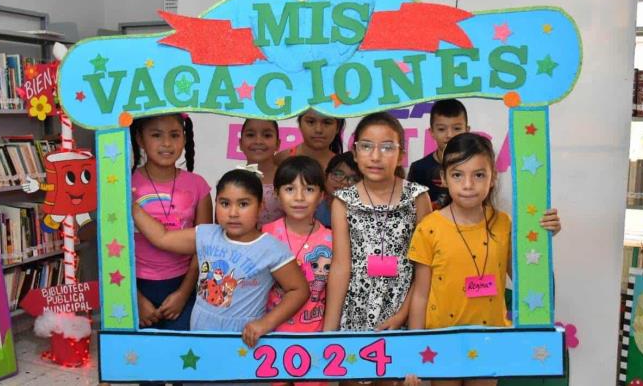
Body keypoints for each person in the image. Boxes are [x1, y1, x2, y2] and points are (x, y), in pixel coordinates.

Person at [405, 133, 561, 386]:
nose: (468, 184)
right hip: (442, 342)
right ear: (443, 178)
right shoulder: (429, 227)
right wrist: (414, 351)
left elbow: (524, 278)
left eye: (479, 175)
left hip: (491, 339)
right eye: (458, 174)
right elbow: (421, 294)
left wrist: (542, 239)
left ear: (492, 178)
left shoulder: (503, 224)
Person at [132, 168, 310, 348]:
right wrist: (132, 207)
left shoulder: (271, 249)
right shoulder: (206, 235)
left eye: (243, 204)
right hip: (200, 333)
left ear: (260, 206)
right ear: (216, 203)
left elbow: (299, 290)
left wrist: (265, 323)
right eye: (225, 203)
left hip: (243, 341)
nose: (233, 213)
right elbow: (162, 238)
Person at [324, 112, 432, 386]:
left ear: (401, 155)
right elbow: (340, 266)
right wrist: (327, 333)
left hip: (403, 311)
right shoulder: (343, 201)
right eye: (367, 146)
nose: (376, 155)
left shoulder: (418, 197)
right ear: (355, 151)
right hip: (355, 314)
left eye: (387, 147)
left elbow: (424, 268)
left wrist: (403, 315)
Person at [130, 113, 212, 330]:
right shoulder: (125, 184)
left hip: (183, 285)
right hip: (134, 286)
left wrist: (183, 294)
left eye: (174, 135)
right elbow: (112, 248)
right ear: (140, 139)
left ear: (184, 139)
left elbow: (204, 248)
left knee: (181, 355)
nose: (167, 143)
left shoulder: (198, 185)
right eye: (156, 135)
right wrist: (135, 298)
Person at [263, 156, 332, 386]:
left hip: (315, 334)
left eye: (309, 189)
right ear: (277, 194)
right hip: (272, 333)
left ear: (322, 195)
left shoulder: (331, 240)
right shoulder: (265, 235)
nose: (299, 197)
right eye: (290, 189)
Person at [407, 99, 469, 210]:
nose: (450, 135)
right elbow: (411, 210)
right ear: (431, 132)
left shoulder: (475, 166)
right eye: (441, 129)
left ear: (467, 130)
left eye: (457, 128)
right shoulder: (419, 168)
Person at [239, 118, 284, 225]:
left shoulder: (288, 180)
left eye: (267, 135)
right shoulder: (231, 181)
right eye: (250, 135)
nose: (258, 141)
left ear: (278, 143)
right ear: (240, 143)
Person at [275, 109, 345, 171]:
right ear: (299, 124)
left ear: (338, 128)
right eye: (311, 122)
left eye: (327, 122)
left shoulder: (344, 166)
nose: (318, 129)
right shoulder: (281, 159)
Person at [315, 151, 360, 228]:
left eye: (354, 179)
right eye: (338, 174)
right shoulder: (311, 208)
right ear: (325, 176)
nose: (344, 182)